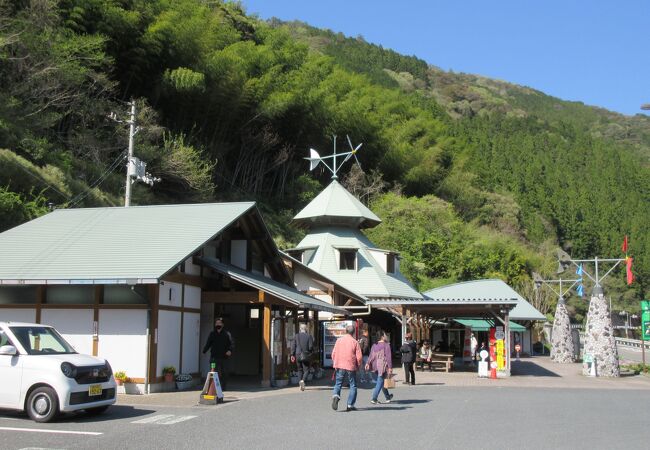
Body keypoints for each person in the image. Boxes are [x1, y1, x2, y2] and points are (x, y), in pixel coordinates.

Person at [330, 323, 362, 412]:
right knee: (353, 385)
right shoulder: (355, 342)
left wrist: (335, 362)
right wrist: (359, 366)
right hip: (350, 366)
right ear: (353, 333)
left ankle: (336, 396)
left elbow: (333, 354)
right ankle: (350, 404)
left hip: (339, 365)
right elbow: (359, 357)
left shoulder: (339, 341)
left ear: (346, 331)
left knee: (338, 383)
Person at [202, 318, 234, 391]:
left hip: (224, 357)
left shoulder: (227, 334)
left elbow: (232, 344)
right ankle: (214, 387)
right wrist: (204, 351)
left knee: (224, 373)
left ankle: (223, 387)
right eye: (216, 323)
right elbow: (208, 343)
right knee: (213, 372)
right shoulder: (212, 334)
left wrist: (230, 350)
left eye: (219, 323)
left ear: (222, 325)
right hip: (214, 357)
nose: (218, 325)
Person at [366, 331, 393, 405]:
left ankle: (387, 397)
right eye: (385, 334)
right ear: (382, 337)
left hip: (375, 365)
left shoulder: (374, 345)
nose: (386, 336)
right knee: (380, 381)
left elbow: (371, 355)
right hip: (382, 365)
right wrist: (390, 367)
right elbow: (388, 357)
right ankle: (374, 398)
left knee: (383, 381)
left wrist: (368, 363)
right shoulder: (386, 345)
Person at [290, 323, 314, 391]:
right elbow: (310, 347)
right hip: (306, 355)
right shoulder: (309, 336)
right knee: (306, 369)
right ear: (306, 329)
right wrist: (311, 352)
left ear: (300, 329)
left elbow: (293, 346)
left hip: (297, 355)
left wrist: (292, 355)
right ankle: (303, 381)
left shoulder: (296, 336)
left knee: (299, 369)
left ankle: (300, 383)